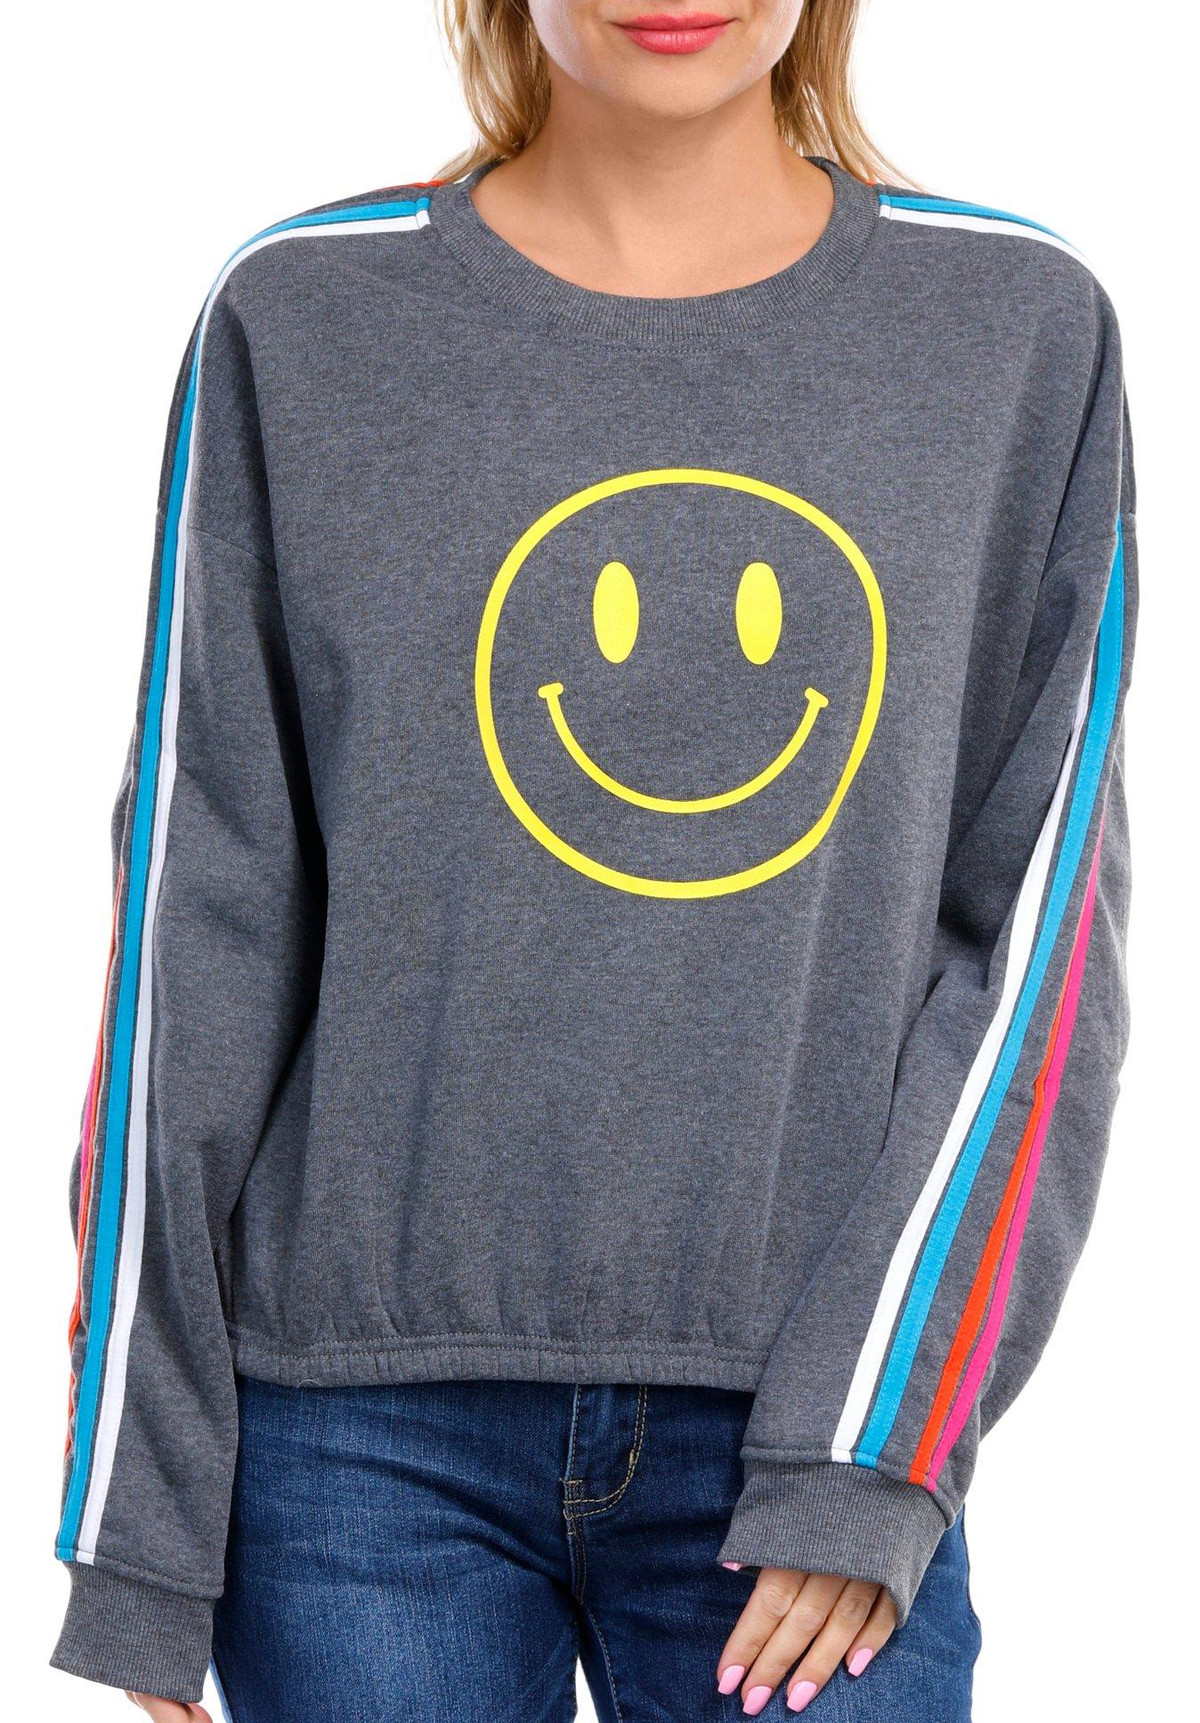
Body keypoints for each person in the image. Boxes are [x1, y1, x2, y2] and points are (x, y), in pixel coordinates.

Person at [50, 3, 1136, 1719]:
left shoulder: (1015, 324)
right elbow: (201, 914)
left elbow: (1041, 948)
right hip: (351, 1442)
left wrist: (874, 1445)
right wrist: (143, 1523)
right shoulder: (304, 313)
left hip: (803, 1416)